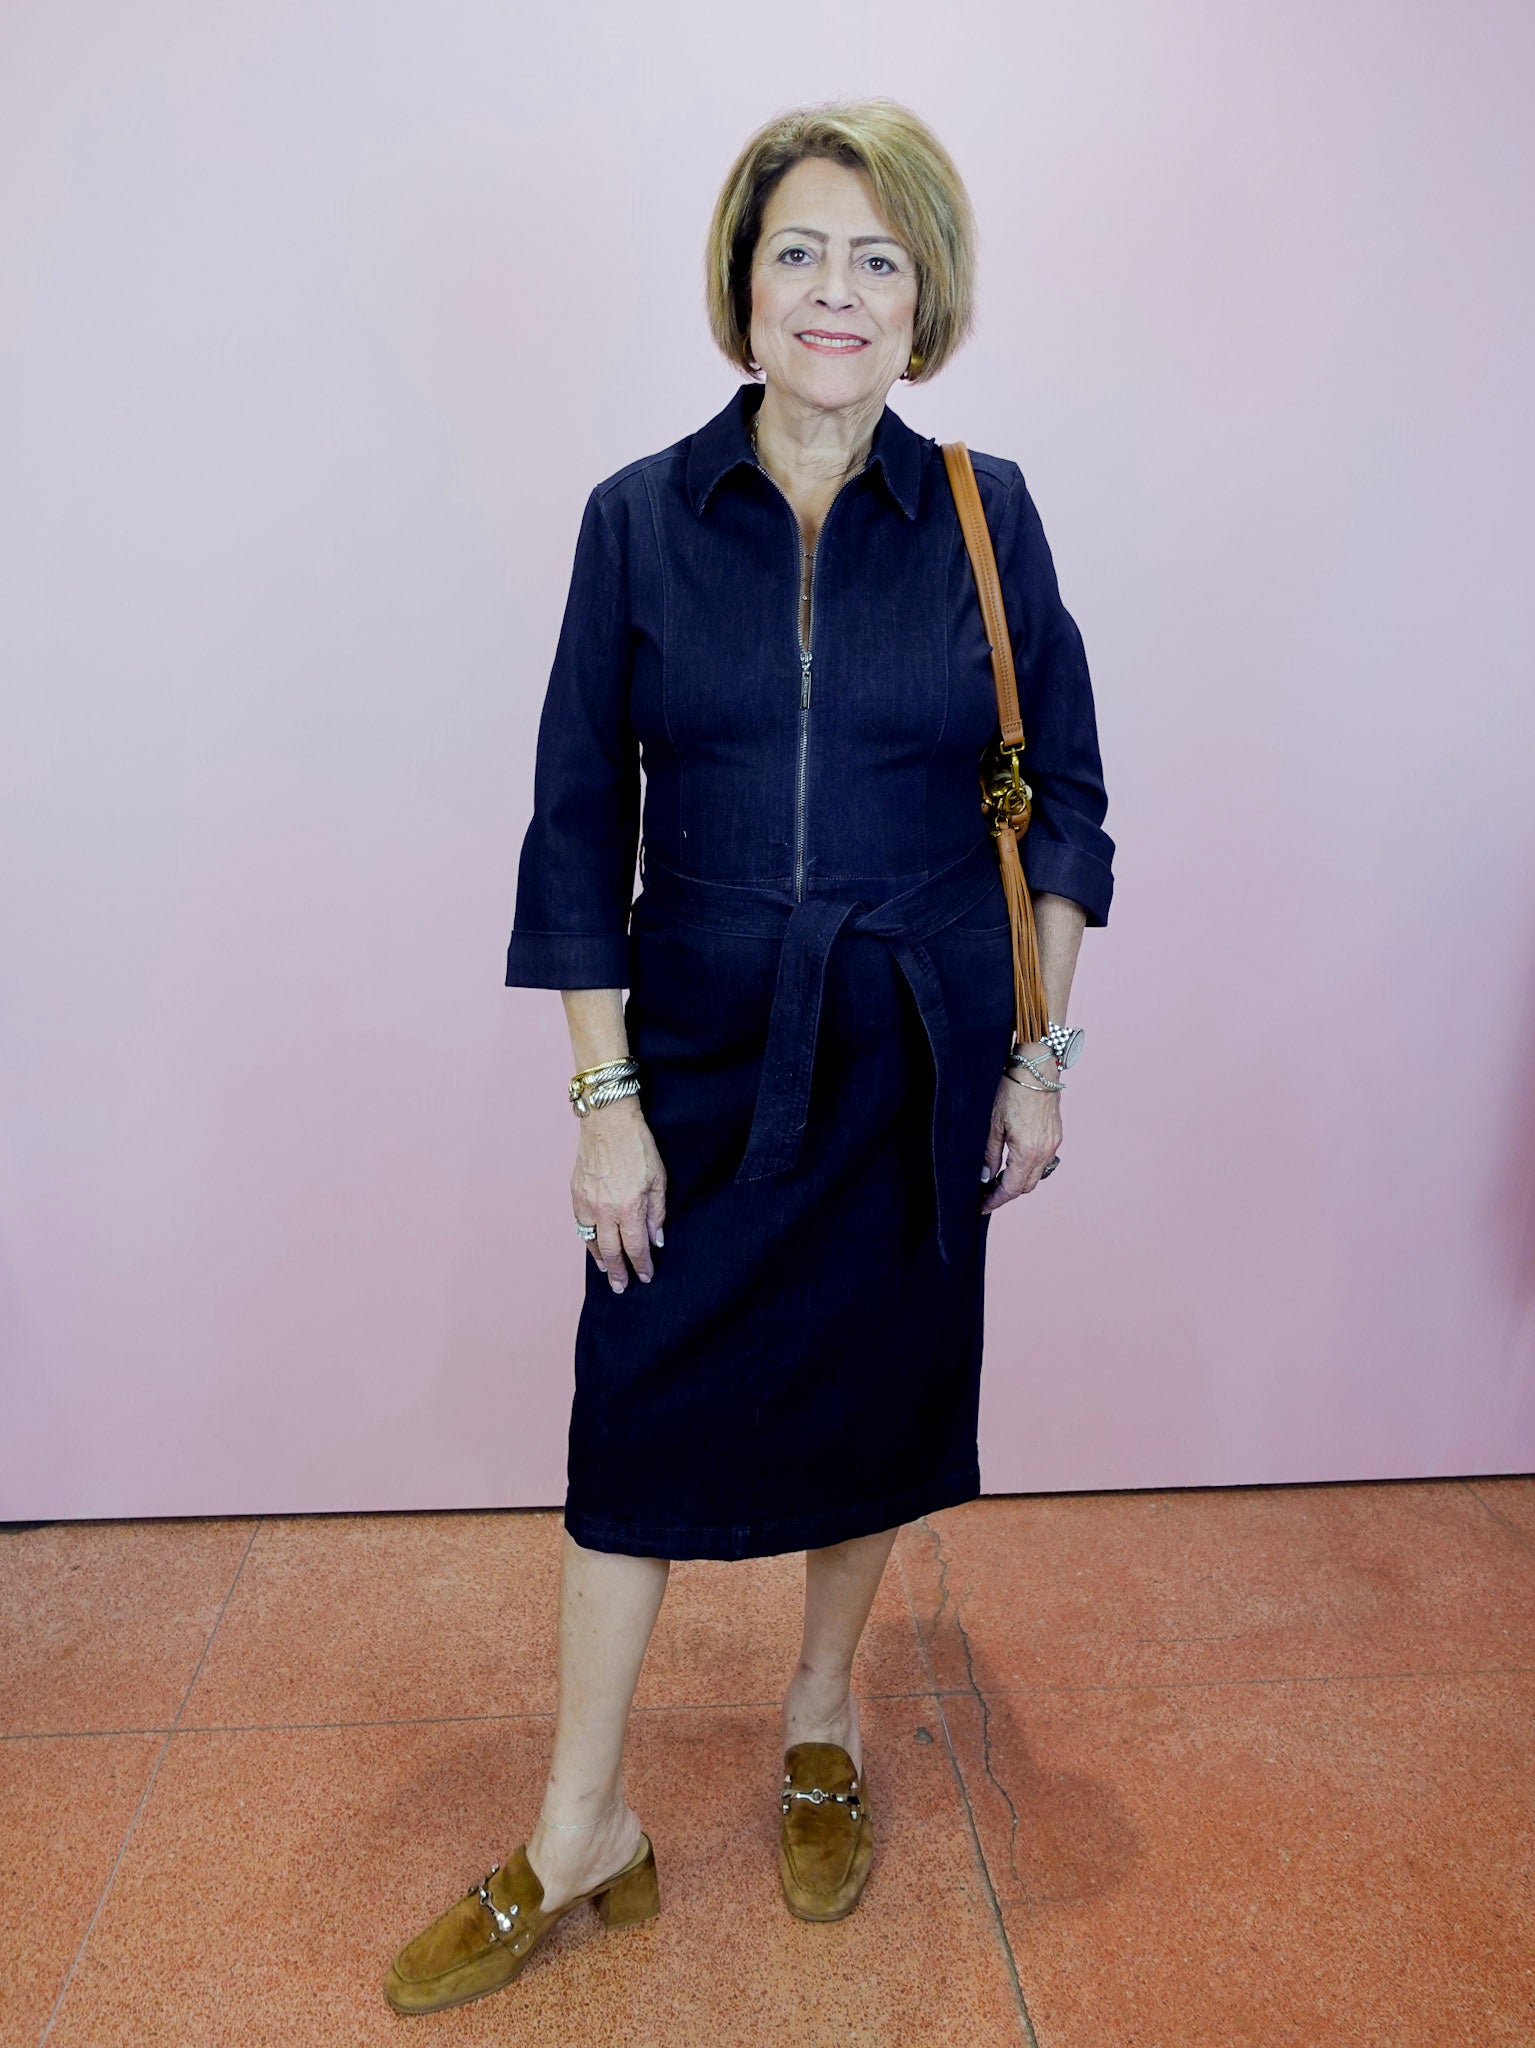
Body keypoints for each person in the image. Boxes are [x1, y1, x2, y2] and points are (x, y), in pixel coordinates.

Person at [384, 97, 1114, 2016]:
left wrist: (1040, 1058)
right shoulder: (639, 520)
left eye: (878, 257)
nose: (835, 290)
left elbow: (1069, 807)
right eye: (800, 250)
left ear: (924, 298)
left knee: (871, 1405)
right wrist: (604, 1102)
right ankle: (581, 1826)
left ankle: (820, 1720)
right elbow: (573, 829)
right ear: (744, 282)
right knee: (630, 1422)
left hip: (914, 1050)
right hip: (694, 1054)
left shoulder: (987, 515)